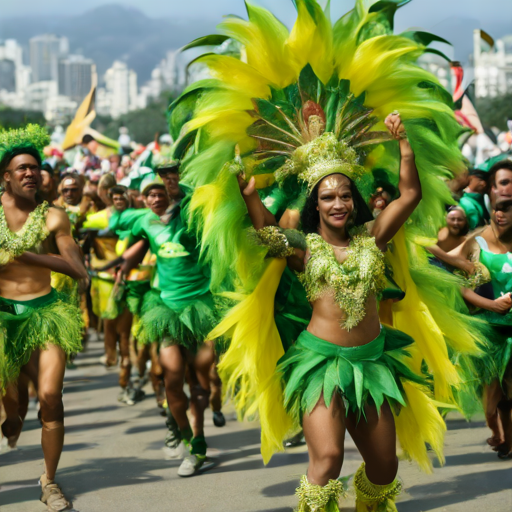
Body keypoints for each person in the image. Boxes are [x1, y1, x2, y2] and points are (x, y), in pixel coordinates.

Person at [171, 2, 482, 509]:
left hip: (373, 360)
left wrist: (403, 144)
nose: (337, 203)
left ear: (353, 199)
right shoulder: (304, 247)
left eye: (343, 195)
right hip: (319, 362)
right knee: (328, 460)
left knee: (383, 468)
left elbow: (408, 198)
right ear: (314, 206)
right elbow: (269, 234)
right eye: (326, 197)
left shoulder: (372, 238)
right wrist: (250, 195)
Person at [0, 124, 88, 511]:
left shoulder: (53, 216)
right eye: (21, 168)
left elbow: (75, 268)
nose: (30, 173)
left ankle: (49, 482)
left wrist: (27, 256)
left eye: (35, 167)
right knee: (10, 411)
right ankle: (13, 411)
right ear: (6, 176)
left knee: (51, 398)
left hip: (45, 313)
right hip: (2, 318)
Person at [120, 178, 218, 476]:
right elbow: (129, 235)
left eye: (160, 192)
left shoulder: (193, 217)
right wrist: (123, 266)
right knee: (172, 377)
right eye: (149, 193)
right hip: (166, 309)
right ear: (144, 199)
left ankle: (199, 441)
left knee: (201, 378)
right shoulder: (144, 223)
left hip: (202, 308)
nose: (154, 198)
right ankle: (189, 441)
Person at [437, 198, 512, 458]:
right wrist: (491, 305)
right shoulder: (476, 241)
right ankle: (499, 434)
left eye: (506, 211)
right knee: (493, 401)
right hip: (490, 328)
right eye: (497, 210)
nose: (500, 215)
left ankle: (508, 440)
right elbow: (459, 283)